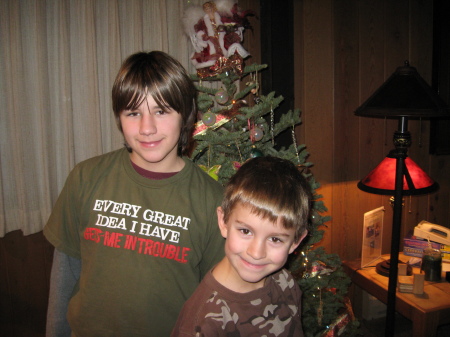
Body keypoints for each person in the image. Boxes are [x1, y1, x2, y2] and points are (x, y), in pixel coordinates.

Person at [44, 51, 225, 337]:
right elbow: (65, 272)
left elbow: (215, 300)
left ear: (186, 115)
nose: (147, 128)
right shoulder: (85, 177)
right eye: (133, 113)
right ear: (119, 117)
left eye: (162, 110)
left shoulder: (212, 200)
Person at [171, 156, 312, 337]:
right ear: (223, 222)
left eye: (275, 239)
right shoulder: (204, 322)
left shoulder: (285, 282)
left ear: (296, 242)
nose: (256, 253)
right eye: (245, 231)